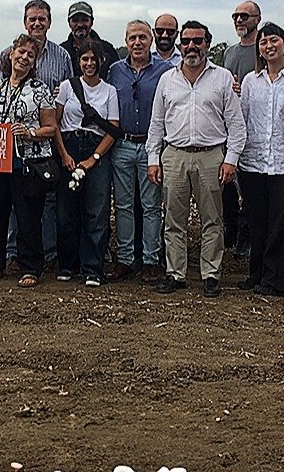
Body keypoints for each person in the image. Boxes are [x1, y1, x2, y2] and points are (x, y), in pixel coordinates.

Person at [147, 21, 245, 298]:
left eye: (197, 41)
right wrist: (153, 158)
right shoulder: (167, 79)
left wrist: (231, 160)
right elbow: (157, 123)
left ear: (207, 45)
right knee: (173, 219)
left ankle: (211, 274)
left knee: (212, 219)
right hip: (175, 155)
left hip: (211, 156)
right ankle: (175, 274)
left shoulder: (222, 78)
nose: (192, 46)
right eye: (187, 41)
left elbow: (236, 125)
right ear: (180, 45)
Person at [0, 34, 58, 287]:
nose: (24, 58)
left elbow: (51, 128)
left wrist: (30, 132)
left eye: (30, 56)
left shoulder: (39, 90)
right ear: (11, 54)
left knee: (28, 217)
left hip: (27, 164)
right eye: (20, 52)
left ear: (34, 63)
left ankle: (30, 267)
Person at [4, 0, 72, 267]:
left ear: (49, 23)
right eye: (32, 19)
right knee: (15, 198)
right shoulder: (9, 53)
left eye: (42, 19)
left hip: (49, 135)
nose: (37, 23)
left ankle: (49, 252)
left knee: (47, 195)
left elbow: (68, 96)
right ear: (25, 22)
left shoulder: (62, 57)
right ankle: (13, 252)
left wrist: (53, 133)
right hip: (14, 141)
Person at [237, 22, 284, 297]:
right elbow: (243, 118)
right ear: (259, 50)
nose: (269, 46)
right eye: (263, 43)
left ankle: (276, 279)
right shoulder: (252, 82)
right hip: (253, 161)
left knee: (281, 223)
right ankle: (257, 273)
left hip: (283, 163)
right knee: (256, 221)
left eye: (274, 40)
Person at [106, 20, 173, 283]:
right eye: (132, 37)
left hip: (151, 145)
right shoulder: (114, 71)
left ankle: (150, 260)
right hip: (121, 144)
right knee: (122, 206)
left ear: (151, 41)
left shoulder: (166, 72)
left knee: (151, 207)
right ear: (125, 41)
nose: (137, 42)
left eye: (142, 37)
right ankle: (124, 259)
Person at [53, 41, 120, 286]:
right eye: (85, 59)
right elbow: (55, 124)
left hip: (96, 149)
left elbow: (112, 129)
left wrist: (94, 159)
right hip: (69, 145)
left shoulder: (109, 91)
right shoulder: (67, 88)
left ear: (101, 61)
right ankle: (68, 264)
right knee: (66, 211)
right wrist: (63, 154)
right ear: (78, 62)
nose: (89, 64)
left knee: (97, 210)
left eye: (94, 59)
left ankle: (93, 266)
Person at [221, 0, 261, 258]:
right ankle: (231, 231)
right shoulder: (230, 52)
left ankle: (247, 237)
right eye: (235, 16)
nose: (239, 20)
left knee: (248, 187)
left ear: (257, 19)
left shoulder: (263, 49)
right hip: (228, 127)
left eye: (244, 16)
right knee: (226, 187)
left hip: (254, 127)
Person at [60, 1, 120, 80]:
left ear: (91, 22)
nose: (80, 24)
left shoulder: (107, 50)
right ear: (69, 23)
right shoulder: (61, 52)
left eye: (84, 20)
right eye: (75, 20)